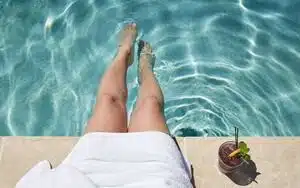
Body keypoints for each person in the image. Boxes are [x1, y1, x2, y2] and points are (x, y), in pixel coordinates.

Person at [16, 23, 193, 188]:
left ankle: (124, 53)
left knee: (108, 101)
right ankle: (145, 68)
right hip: (153, 175)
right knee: (151, 104)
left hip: (91, 170)